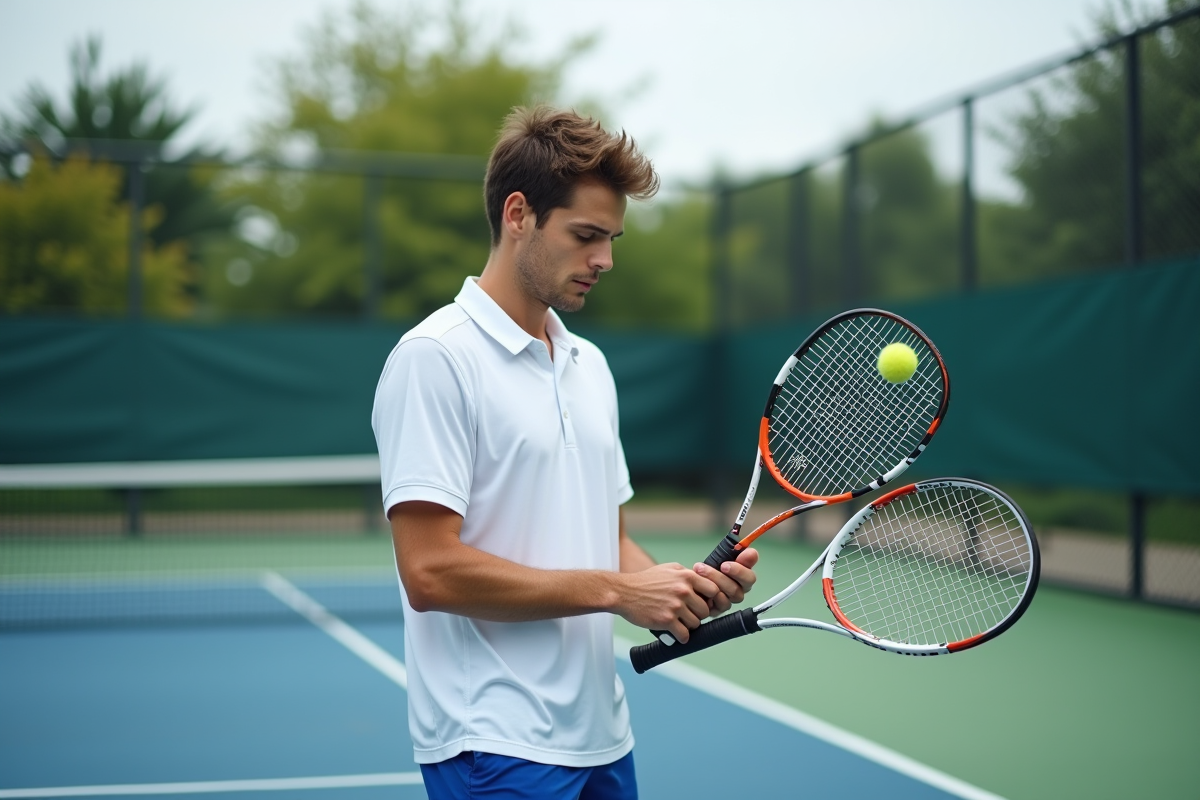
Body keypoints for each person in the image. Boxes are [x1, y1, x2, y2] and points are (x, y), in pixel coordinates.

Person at [371, 105, 758, 800]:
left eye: (611, 239)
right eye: (586, 236)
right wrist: (618, 592)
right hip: (491, 744)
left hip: (603, 739)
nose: (604, 260)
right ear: (518, 214)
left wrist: (678, 592)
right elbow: (428, 572)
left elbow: (607, 542)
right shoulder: (435, 359)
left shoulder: (590, 366)